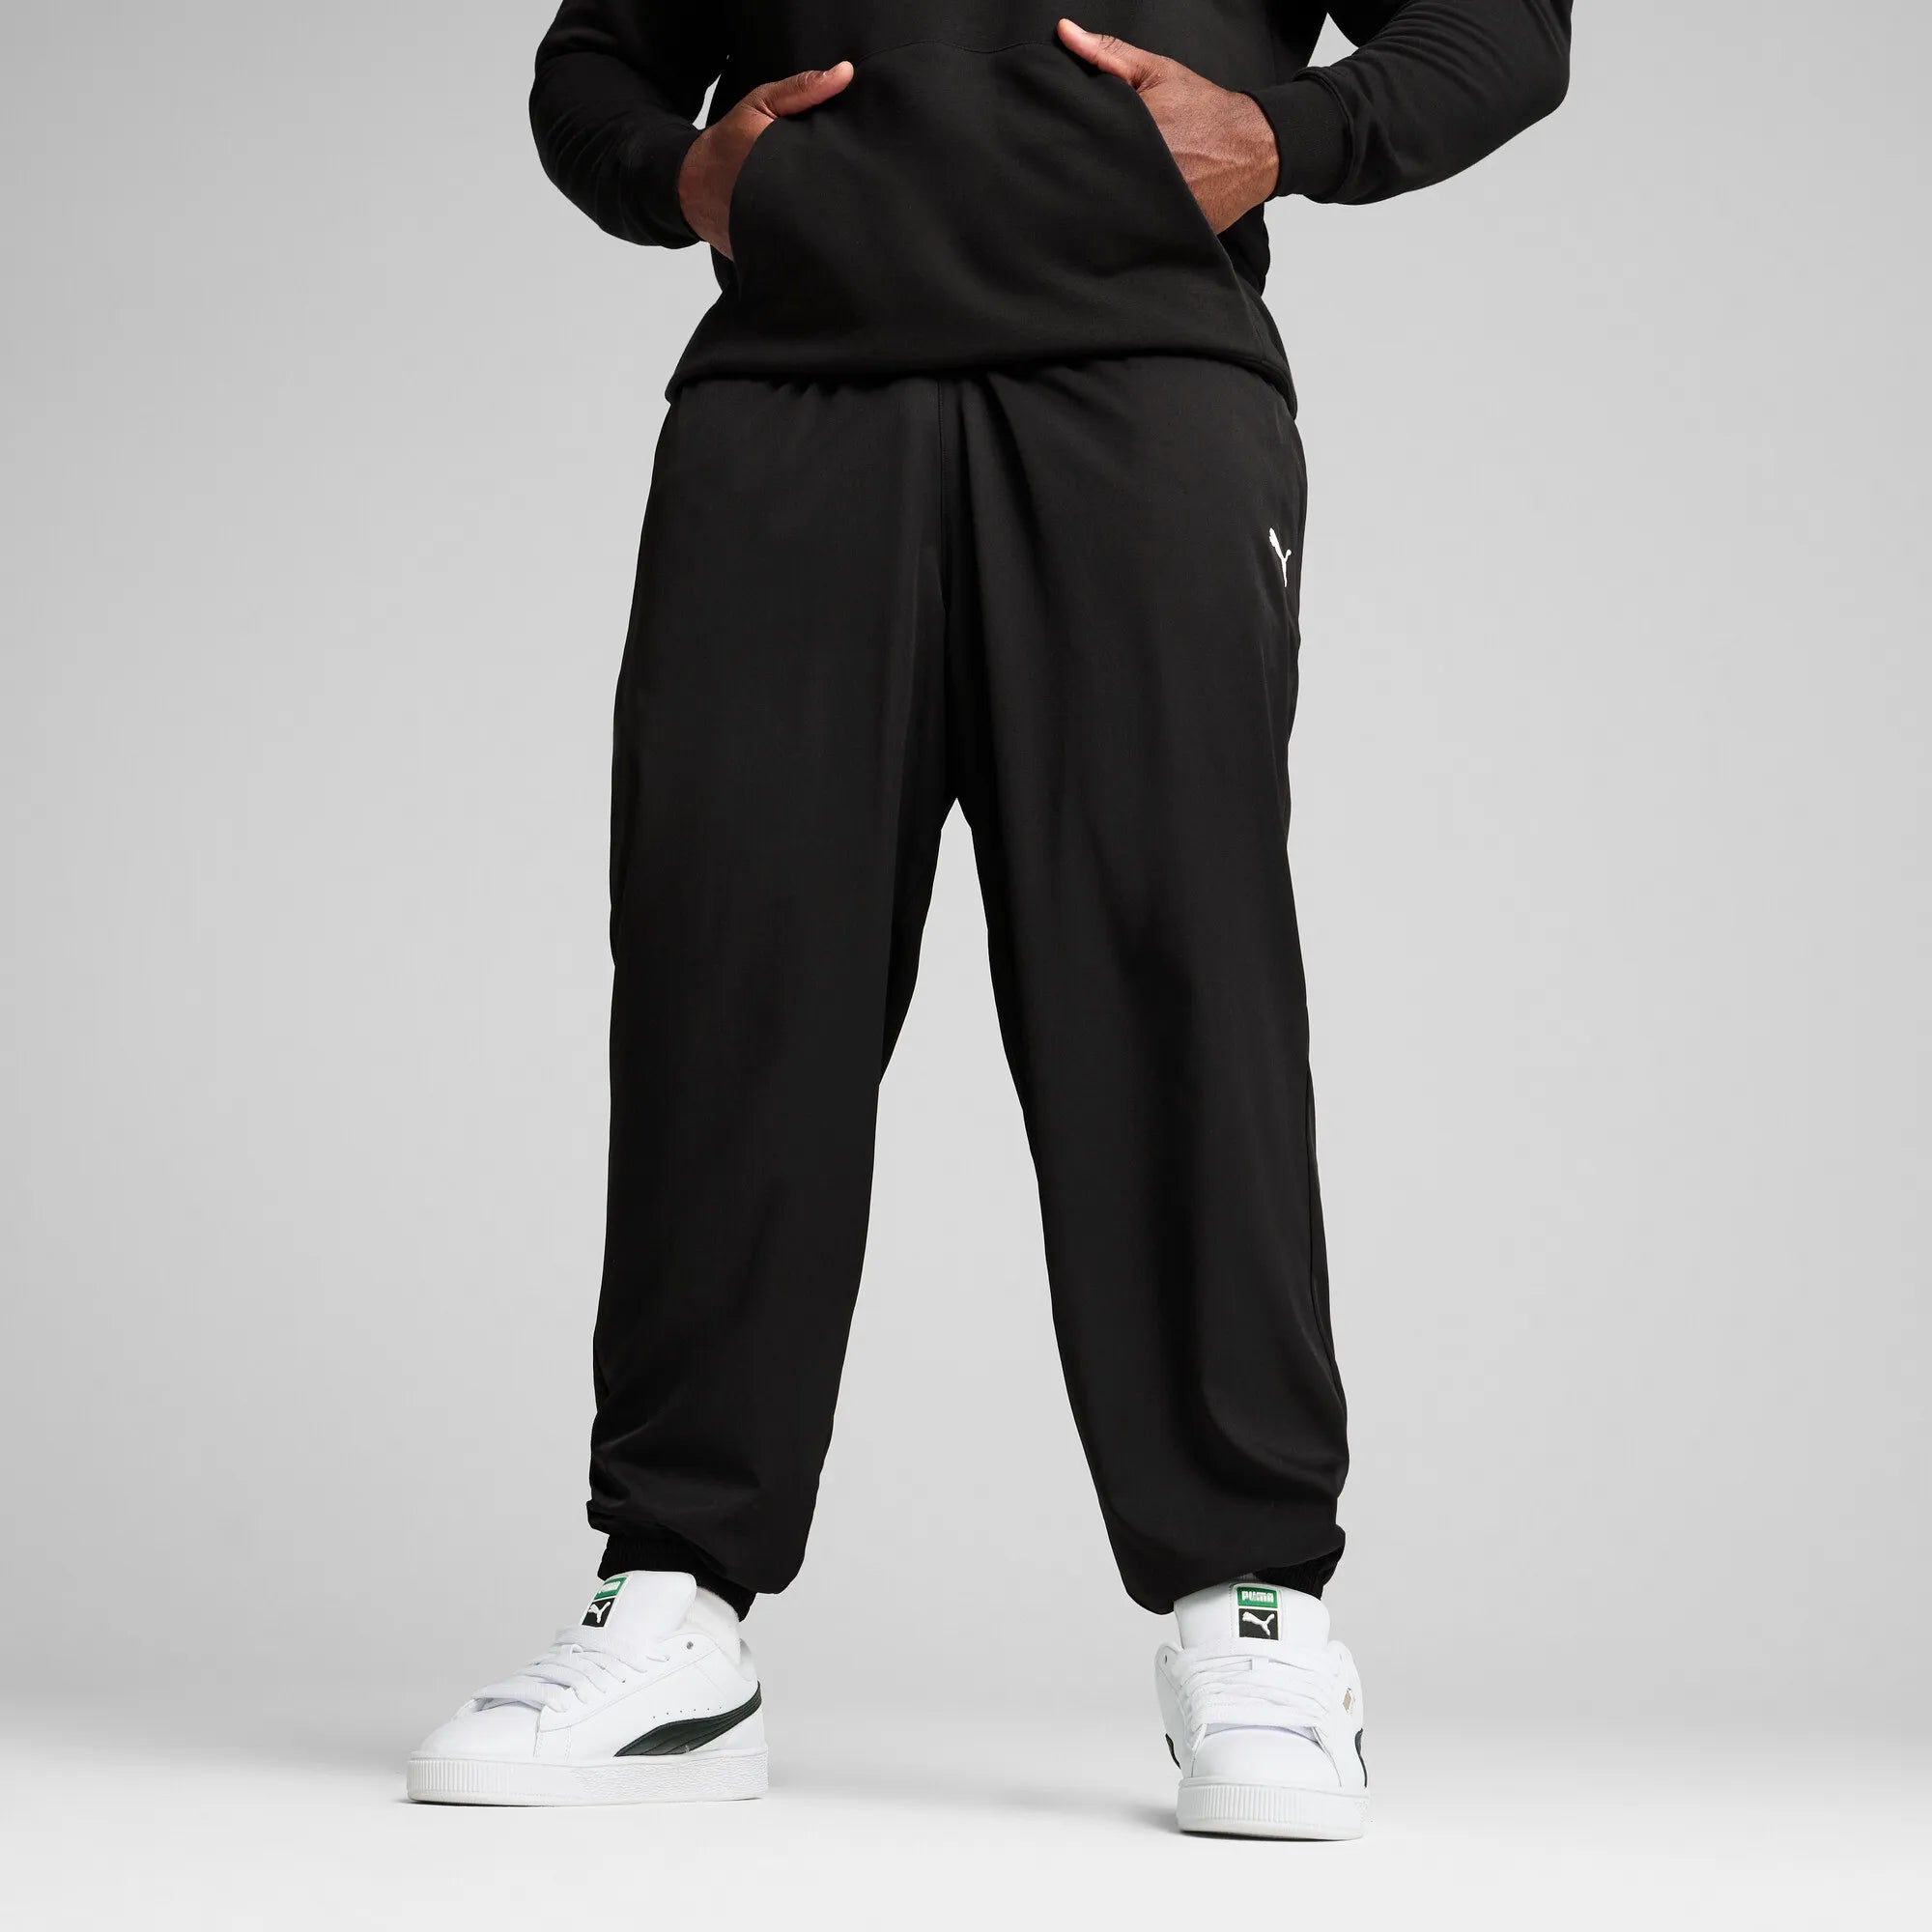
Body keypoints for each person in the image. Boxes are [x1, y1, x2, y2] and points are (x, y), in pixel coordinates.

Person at [407, 1, 1571, 1836]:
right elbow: (593, 61)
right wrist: (682, 173)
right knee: (731, 985)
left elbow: (1506, 26)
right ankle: (677, 1606)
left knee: (1170, 976)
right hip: (789, 400)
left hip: (1139, 387)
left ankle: (1254, 1610)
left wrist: (1292, 134)